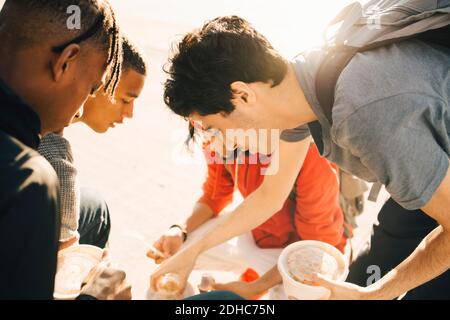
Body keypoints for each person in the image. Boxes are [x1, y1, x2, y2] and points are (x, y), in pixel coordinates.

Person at [152, 10, 450, 300]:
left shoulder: (360, 113)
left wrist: (374, 295)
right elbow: (269, 196)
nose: (220, 139)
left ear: (242, 95)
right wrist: (188, 254)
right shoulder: (302, 92)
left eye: (216, 126)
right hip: (427, 164)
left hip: (424, 156)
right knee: (364, 275)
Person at [0, 0, 129, 300]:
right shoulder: (27, 182)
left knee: (92, 205)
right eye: (92, 88)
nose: (80, 111)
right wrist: (95, 297)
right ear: (66, 62)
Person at [149, 123, 350, 298]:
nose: (208, 138)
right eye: (200, 125)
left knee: (302, 293)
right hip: (258, 233)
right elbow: (216, 192)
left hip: (307, 250)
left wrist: (256, 286)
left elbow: (315, 244)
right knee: (174, 257)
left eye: (211, 125)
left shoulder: (303, 148)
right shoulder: (215, 133)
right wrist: (180, 230)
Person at [38, 36, 148, 251]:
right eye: (126, 99)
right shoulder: (54, 157)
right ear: (98, 80)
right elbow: (60, 263)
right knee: (97, 209)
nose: (130, 113)